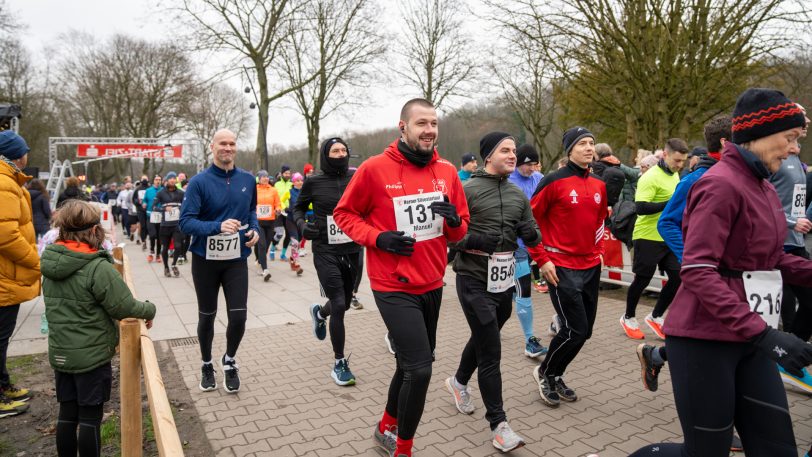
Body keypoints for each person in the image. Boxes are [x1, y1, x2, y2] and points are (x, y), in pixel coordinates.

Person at [630, 88, 812, 457]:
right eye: (789, 139)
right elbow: (698, 271)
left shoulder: (760, 184)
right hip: (704, 339)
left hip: (750, 336)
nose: (794, 150)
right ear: (757, 136)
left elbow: (769, 258)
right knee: (705, 452)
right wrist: (763, 334)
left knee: (779, 450)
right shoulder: (719, 184)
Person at [333, 98, 469, 457]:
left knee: (408, 365)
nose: (429, 131)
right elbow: (345, 215)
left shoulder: (448, 172)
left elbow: (460, 230)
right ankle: (403, 448)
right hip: (392, 285)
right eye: (421, 123)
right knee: (421, 370)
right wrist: (379, 237)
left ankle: (383, 428)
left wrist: (455, 222)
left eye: (434, 124)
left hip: (432, 282)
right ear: (403, 127)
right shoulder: (375, 169)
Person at [445, 132, 538, 452]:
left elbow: (532, 230)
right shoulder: (466, 189)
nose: (513, 155)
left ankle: (457, 382)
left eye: (514, 150)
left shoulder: (517, 195)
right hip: (472, 278)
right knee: (491, 350)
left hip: (504, 281)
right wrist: (471, 241)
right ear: (488, 156)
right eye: (505, 150)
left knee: (485, 336)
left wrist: (531, 235)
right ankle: (499, 425)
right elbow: (446, 236)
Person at [40, 199, 156, 456]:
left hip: (61, 353)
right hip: (91, 357)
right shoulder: (96, 267)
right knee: (91, 417)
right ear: (94, 231)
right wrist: (149, 309)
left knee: (67, 413)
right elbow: (123, 306)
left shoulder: (50, 262)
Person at [527, 126, 607, 408]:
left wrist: (598, 252)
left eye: (591, 143)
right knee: (575, 328)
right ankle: (546, 373)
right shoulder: (553, 181)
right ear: (569, 149)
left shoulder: (599, 184)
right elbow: (529, 222)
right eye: (582, 143)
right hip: (560, 265)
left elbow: (599, 221)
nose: (589, 148)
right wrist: (542, 259)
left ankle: (554, 372)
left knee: (584, 331)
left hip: (590, 265)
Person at [179, 129, 260, 394]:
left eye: (232, 143)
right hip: (205, 260)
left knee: (239, 317)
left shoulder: (248, 179)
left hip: (236, 259)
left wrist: (255, 230)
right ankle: (206, 363)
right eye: (222, 143)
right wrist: (217, 226)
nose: (228, 148)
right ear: (212, 147)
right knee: (207, 317)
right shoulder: (199, 182)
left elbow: (251, 212)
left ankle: (229, 360)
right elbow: (185, 222)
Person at [297, 137, 362, 386]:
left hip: (353, 249)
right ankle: (339, 362)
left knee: (343, 304)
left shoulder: (355, 179)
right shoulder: (314, 182)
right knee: (338, 302)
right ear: (326, 154)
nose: (340, 154)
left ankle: (319, 313)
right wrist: (303, 226)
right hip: (325, 249)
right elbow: (298, 209)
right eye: (335, 151)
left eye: (344, 150)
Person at [620, 138, 688, 340]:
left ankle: (656, 316)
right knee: (643, 279)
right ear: (665, 155)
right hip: (647, 236)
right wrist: (669, 204)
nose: (680, 165)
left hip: (668, 237)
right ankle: (628, 317)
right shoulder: (649, 177)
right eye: (677, 160)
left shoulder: (675, 176)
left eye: (683, 161)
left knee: (679, 276)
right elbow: (640, 207)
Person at [768, 103, 812, 392]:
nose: (806, 121)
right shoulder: (774, 159)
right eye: (800, 117)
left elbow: (797, 199)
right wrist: (790, 222)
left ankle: (786, 356)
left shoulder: (797, 160)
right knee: (778, 308)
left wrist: (803, 218)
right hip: (775, 244)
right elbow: (762, 201)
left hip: (795, 243)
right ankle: (782, 359)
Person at [0, 130, 38, 418]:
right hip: (4, 278)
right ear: (17, 154)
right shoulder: (4, 182)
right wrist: (34, 260)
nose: (28, 155)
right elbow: (6, 234)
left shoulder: (9, 180)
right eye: (24, 150)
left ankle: (4, 385)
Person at [507, 144, 547, 357]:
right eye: (527, 164)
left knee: (514, 291)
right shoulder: (506, 180)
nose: (532, 168)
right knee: (524, 289)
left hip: (535, 242)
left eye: (534, 164)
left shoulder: (539, 178)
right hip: (513, 246)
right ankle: (530, 340)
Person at [154, 172, 185, 278]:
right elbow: (154, 207)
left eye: (173, 178)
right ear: (167, 180)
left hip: (176, 225)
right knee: (165, 248)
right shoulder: (161, 193)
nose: (172, 180)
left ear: (176, 180)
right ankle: (166, 267)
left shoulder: (181, 193)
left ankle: (174, 264)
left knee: (178, 246)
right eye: (170, 178)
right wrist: (164, 208)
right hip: (165, 225)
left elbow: (186, 206)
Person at [254, 170, 281, 281]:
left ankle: (260, 260)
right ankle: (265, 270)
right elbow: (251, 203)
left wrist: (278, 209)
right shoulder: (254, 190)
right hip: (258, 221)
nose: (265, 178)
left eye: (266, 176)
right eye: (263, 177)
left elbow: (277, 203)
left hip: (270, 221)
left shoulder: (273, 190)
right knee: (262, 245)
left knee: (267, 243)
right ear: (259, 179)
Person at [281, 173, 305, 275]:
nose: (300, 182)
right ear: (293, 182)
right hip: (290, 220)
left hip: (300, 220)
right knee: (294, 242)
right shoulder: (289, 191)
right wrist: (284, 208)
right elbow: (281, 201)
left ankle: (292, 259)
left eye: (301, 180)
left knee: (298, 243)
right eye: (297, 180)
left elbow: (310, 205)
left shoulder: (305, 192)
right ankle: (295, 264)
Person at [591, 143, 627, 207]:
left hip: (599, 201)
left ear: (597, 153)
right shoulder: (615, 163)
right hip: (614, 202)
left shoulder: (597, 166)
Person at [274, 165, 293, 260]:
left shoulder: (291, 184)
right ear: (282, 174)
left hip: (289, 212)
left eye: (289, 173)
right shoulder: (276, 185)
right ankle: (273, 249)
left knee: (289, 234)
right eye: (286, 173)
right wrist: (281, 207)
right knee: (279, 234)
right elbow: (275, 198)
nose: (288, 175)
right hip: (279, 212)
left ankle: (283, 254)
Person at [144, 175, 163, 263]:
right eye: (156, 180)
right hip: (150, 215)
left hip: (160, 216)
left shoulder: (163, 190)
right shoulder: (148, 190)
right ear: (153, 181)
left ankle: (158, 255)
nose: (158, 181)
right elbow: (145, 200)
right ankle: (151, 252)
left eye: (159, 180)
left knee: (159, 237)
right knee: (152, 235)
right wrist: (144, 203)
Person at [131, 176, 149, 249]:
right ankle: (143, 241)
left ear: (148, 180)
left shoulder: (150, 188)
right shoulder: (137, 189)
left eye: (146, 179)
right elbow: (133, 199)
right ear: (141, 180)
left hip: (149, 210)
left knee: (148, 226)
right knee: (143, 225)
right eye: (143, 179)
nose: (144, 180)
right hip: (140, 210)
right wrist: (138, 202)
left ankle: (146, 238)